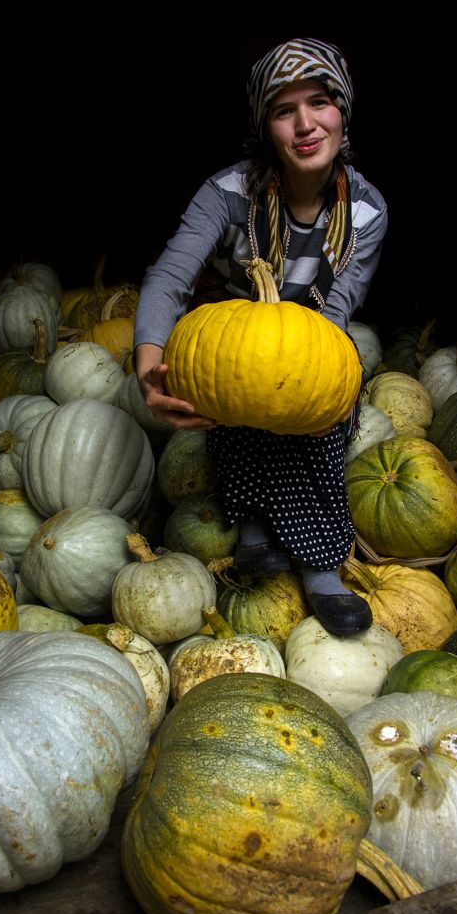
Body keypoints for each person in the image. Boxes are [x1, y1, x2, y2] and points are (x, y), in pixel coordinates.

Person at [134, 37, 388, 636]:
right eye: (283, 109)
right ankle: (252, 526)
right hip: (234, 338)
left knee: (318, 414)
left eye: (320, 102)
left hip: (309, 341)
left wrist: (310, 385)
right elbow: (170, 276)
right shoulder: (226, 194)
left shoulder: (369, 211)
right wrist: (148, 368)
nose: (305, 124)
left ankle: (319, 564)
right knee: (236, 400)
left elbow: (338, 308)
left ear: (342, 111)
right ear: (264, 125)